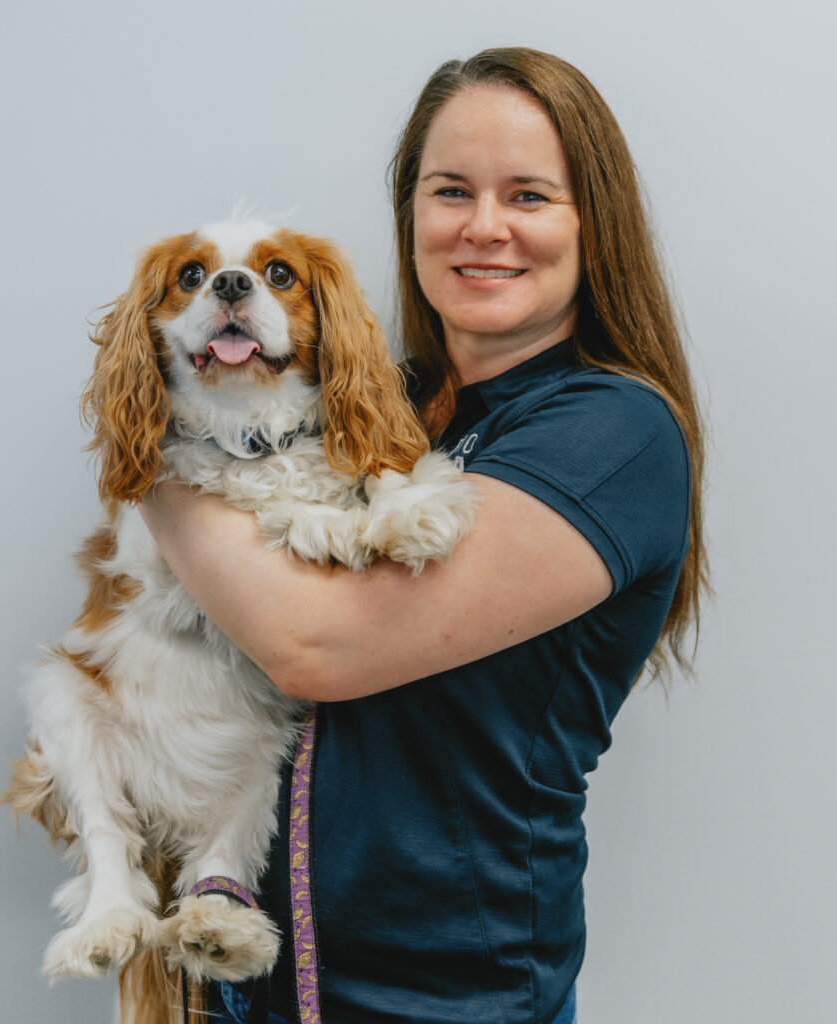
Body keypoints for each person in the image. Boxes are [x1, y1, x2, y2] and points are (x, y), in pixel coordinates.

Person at [140, 47, 707, 1024]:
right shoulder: (383, 409)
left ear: (591, 222)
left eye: (528, 195)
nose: (482, 227)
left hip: (439, 999)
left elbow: (312, 640)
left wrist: (150, 466)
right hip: (237, 977)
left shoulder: (611, 432)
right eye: (450, 190)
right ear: (410, 213)